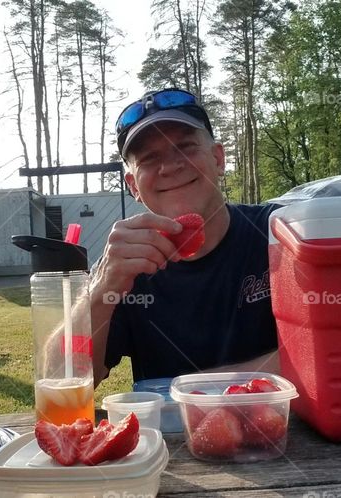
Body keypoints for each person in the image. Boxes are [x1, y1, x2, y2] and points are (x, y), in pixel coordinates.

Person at [90, 88, 282, 386]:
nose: (169, 167)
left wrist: (196, 389)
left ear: (218, 159)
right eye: (150, 159)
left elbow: (330, 348)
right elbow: (62, 379)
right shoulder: (124, 262)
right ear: (133, 186)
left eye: (185, 147)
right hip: (169, 435)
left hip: (282, 428)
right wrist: (99, 295)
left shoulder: (278, 232)